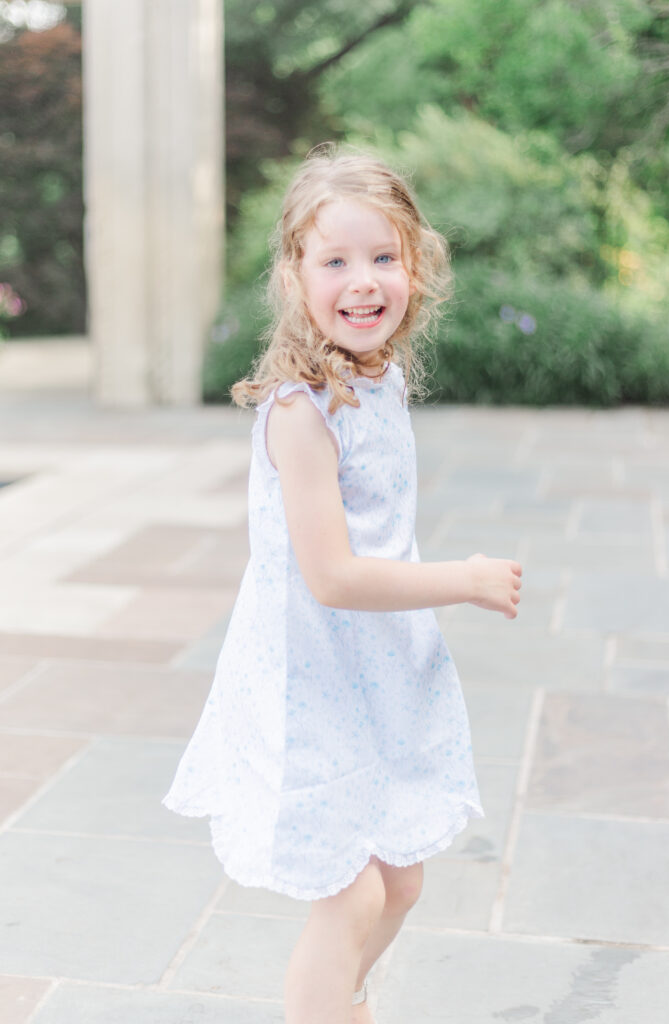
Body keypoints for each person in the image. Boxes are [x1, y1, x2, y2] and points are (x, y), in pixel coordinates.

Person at [162, 146, 522, 1024]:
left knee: (400, 881)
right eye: (334, 261)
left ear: (414, 269)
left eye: (382, 258)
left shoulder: (379, 379)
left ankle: (340, 1001)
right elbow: (329, 575)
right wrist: (462, 579)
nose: (361, 282)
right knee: (353, 893)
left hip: (376, 669)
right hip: (308, 675)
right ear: (293, 279)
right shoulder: (300, 409)